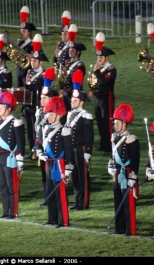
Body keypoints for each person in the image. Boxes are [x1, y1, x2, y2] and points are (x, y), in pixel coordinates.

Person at [36, 96, 72, 228]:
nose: (48, 116)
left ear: (58, 114)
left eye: (51, 114)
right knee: (50, 190)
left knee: (60, 193)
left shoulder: (64, 130)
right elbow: (40, 144)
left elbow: (69, 150)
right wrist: (40, 152)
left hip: (59, 164)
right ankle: (52, 218)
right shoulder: (46, 128)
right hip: (49, 163)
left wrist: (68, 167)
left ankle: (63, 220)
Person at [0, 92, 25, 219]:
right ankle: (5, 211)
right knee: (3, 185)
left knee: (12, 186)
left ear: (9, 109)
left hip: (10, 158)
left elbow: (21, 142)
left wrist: (20, 160)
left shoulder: (16, 122)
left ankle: (13, 212)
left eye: (3, 106)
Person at [107, 103, 140, 236]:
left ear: (125, 123)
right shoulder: (115, 137)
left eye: (118, 122)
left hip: (126, 173)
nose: (115, 125)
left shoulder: (131, 139)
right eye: (115, 122)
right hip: (117, 172)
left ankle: (129, 229)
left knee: (128, 202)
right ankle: (119, 227)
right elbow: (113, 154)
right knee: (118, 200)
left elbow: (136, 160)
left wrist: (133, 175)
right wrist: (110, 164)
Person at [65, 70, 93, 210]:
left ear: (81, 102)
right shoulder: (70, 115)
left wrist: (88, 151)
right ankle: (77, 202)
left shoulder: (86, 116)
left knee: (82, 177)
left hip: (81, 149)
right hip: (72, 148)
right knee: (75, 176)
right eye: (71, 100)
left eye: (75, 100)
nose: (72, 102)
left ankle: (83, 202)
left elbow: (89, 136)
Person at [89, 32, 116, 153]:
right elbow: (95, 82)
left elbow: (103, 81)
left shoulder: (111, 69)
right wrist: (92, 90)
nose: (99, 60)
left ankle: (109, 145)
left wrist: (97, 71)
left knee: (107, 122)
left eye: (101, 57)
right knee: (100, 121)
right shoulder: (100, 69)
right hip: (98, 98)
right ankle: (103, 144)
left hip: (106, 98)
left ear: (106, 58)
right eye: (98, 57)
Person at [34, 68, 58, 197]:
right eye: (41, 97)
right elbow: (37, 130)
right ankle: (47, 196)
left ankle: (54, 196)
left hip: (52, 148)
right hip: (42, 147)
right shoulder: (39, 112)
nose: (41, 100)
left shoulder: (55, 113)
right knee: (44, 175)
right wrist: (37, 146)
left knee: (52, 175)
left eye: (44, 98)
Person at [23, 34, 47, 152]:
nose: (32, 63)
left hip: (37, 105)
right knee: (29, 128)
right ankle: (32, 149)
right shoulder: (29, 72)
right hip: (29, 105)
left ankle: (38, 147)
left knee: (37, 128)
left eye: (35, 61)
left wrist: (27, 86)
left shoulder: (44, 74)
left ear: (40, 62)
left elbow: (36, 87)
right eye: (31, 60)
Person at [60, 26, 86, 99]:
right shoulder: (67, 62)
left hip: (74, 93)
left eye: (72, 50)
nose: (70, 52)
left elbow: (77, 82)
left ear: (78, 52)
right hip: (65, 92)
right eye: (69, 50)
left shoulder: (80, 65)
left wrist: (67, 92)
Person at [17, 6, 36, 88]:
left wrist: (31, 56)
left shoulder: (34, 43)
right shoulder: (20, 42)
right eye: (21, 31)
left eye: (24, 31)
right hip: (19, 70)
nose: (22, 33)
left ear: (29, 32)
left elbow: (40, 55)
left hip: (28, 70)